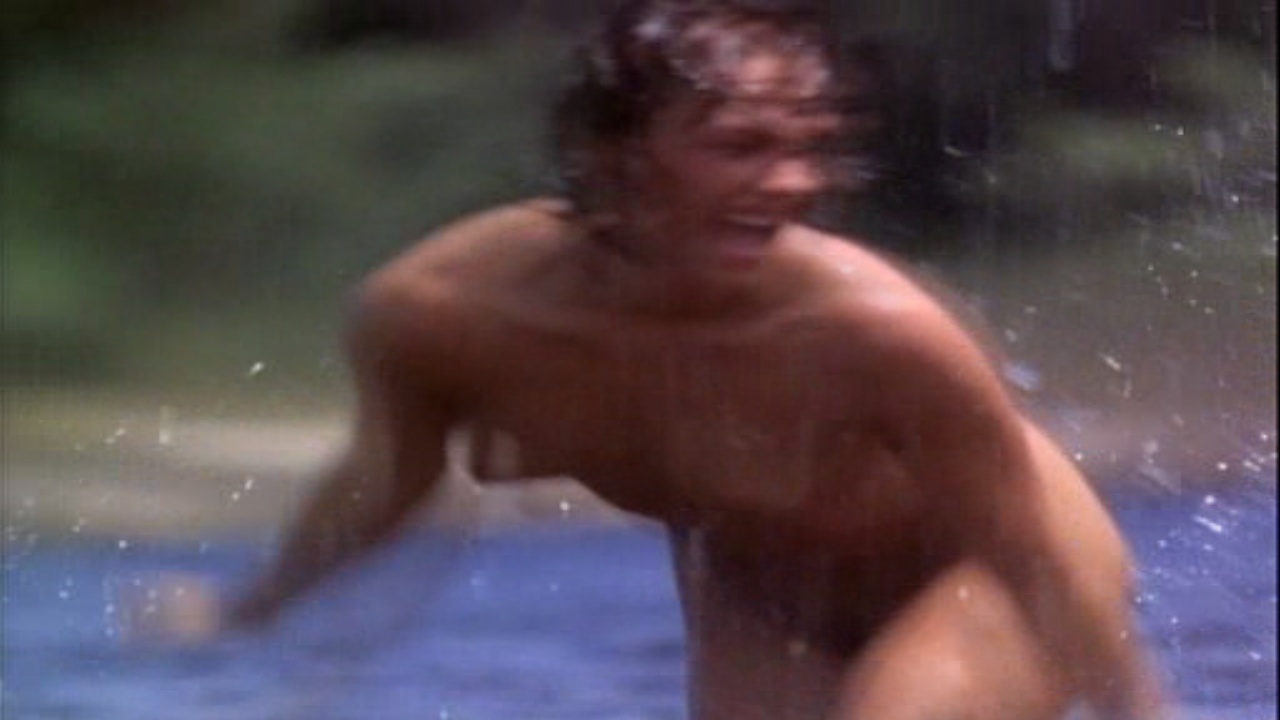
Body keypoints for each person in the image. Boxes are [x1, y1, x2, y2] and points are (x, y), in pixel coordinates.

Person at [219, 1, 1169, 717]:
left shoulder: (876, 330)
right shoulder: (441, 314)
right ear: (612, 155)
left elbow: (1028, 552)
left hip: (985, 574)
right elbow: (386, 484)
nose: (791, 183)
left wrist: (1136, 708)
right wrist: (252, 610)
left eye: (809, 148)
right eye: (741, 146)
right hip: (758, 589)